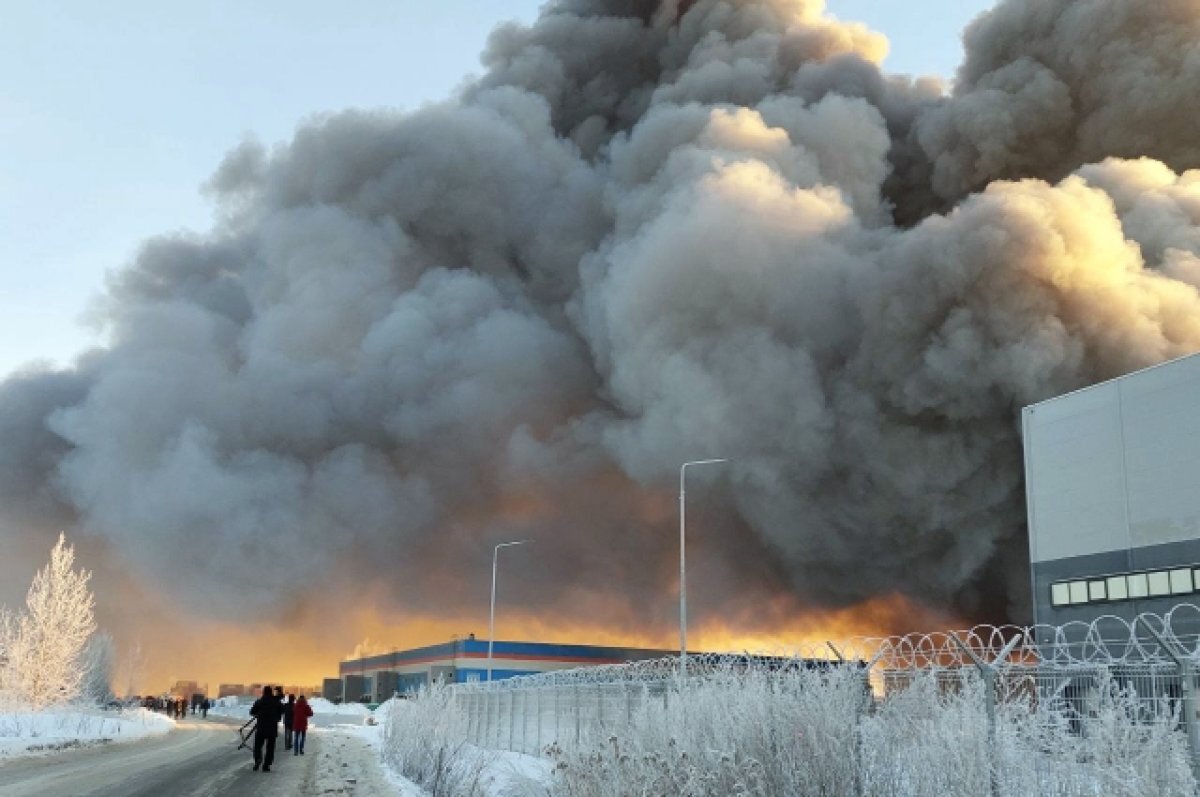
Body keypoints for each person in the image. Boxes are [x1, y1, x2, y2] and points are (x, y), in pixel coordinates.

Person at [249, 685, 284, 772]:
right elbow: (283, 710)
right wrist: (277, 716)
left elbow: (252, 712)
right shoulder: (276, 702)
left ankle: (258, 759)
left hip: (261, 727)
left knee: (257, 746)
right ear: (271, 692)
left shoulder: (259, 701)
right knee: (270, 748)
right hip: (272, 728)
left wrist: (258, 714)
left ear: (264, 692)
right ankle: (266, 765)